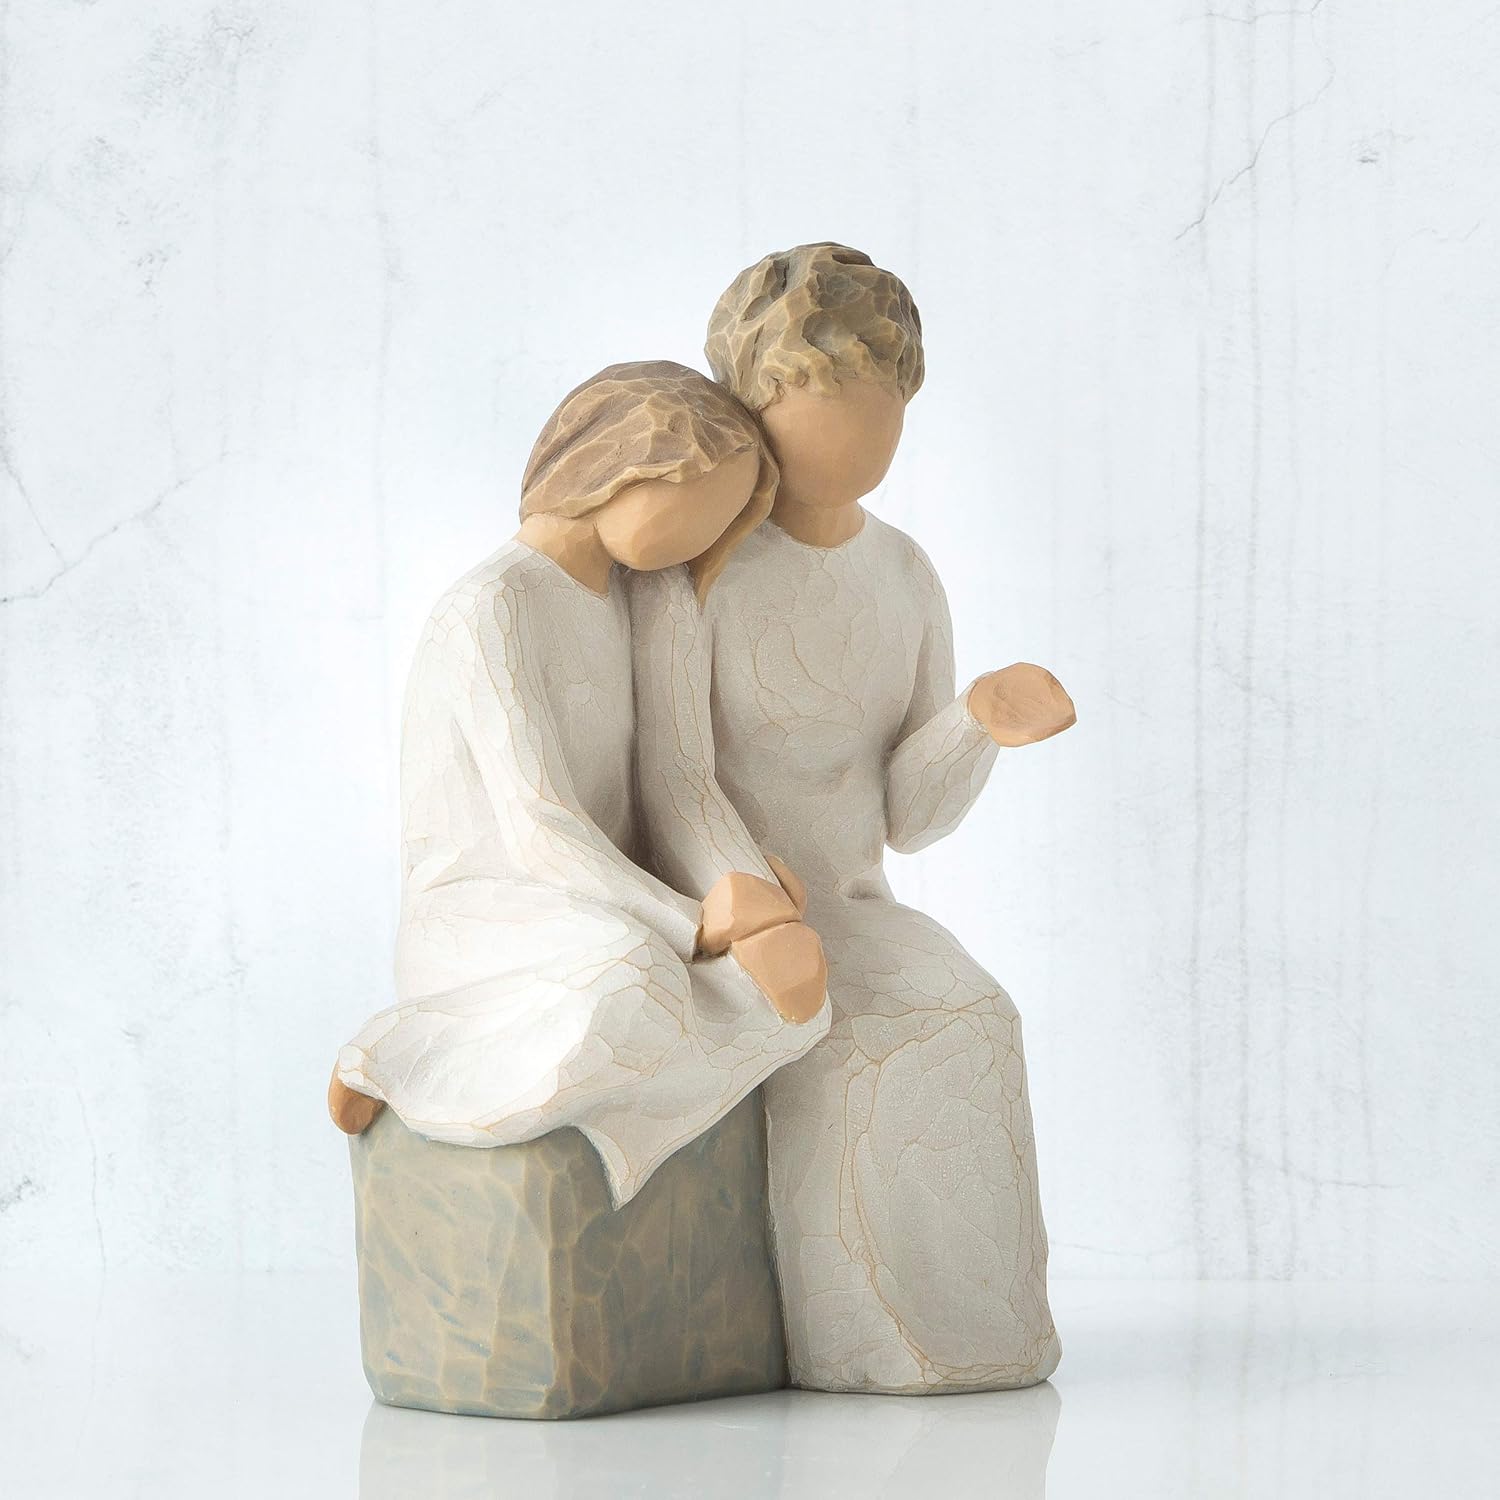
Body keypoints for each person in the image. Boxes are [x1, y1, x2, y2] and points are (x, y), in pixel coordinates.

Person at [649, 243, 1075, 1391]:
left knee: (973, 1012)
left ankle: (975, 1338)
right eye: (812, 401)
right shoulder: (700, 574)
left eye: (875, 407)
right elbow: (670, 779)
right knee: (857, 1039)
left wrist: (976, 722)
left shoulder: (905, 576)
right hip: (728, 908)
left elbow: (909, 820)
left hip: (856, 901)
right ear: (752, 404)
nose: (849, 436)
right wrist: (747, 906)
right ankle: (858, 1337)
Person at [329, 361, 827, 1210]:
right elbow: (539, 825)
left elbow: (680, 782)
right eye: (700, 504)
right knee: (635, 978)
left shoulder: (653, 599)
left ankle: (587, 1106)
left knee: (796, 1000)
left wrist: (750, 900)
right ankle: (406, 1054)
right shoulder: (489, 607)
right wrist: (697, 925)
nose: (705, 538)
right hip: (488, 910)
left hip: (611, 902)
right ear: (621, 466)